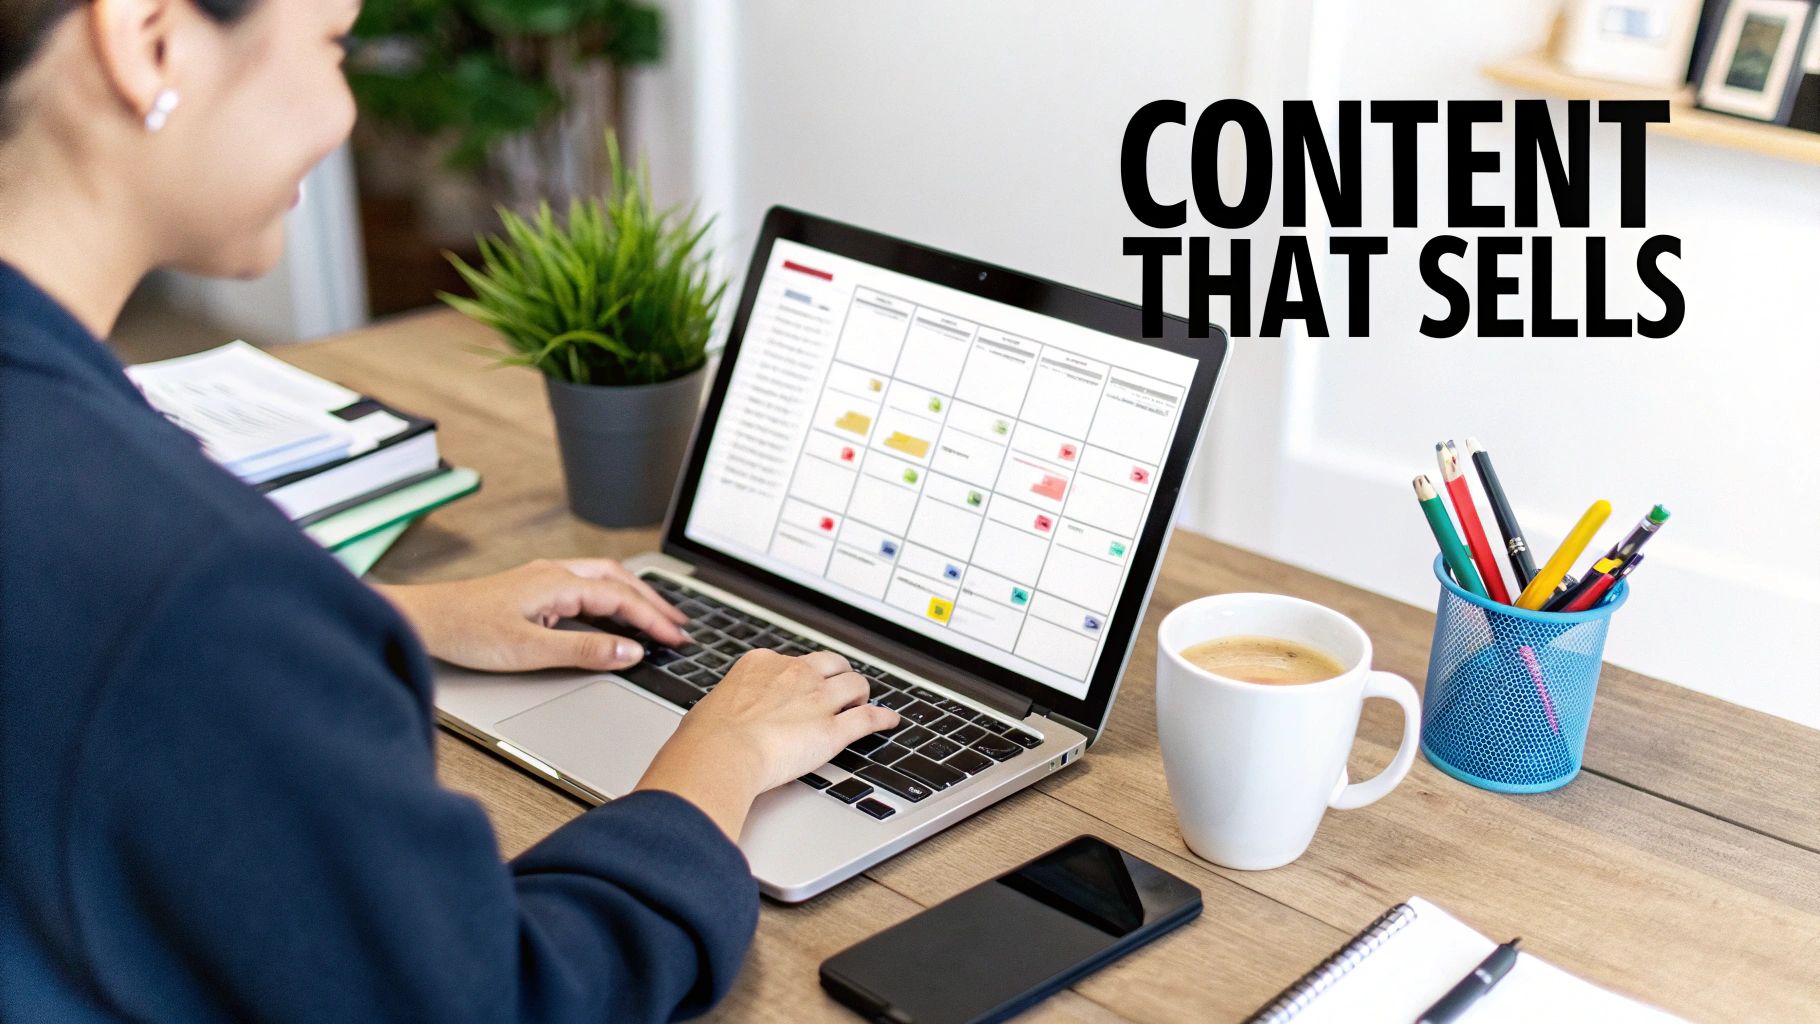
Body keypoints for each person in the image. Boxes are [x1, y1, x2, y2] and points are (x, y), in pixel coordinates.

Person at [0, 0, 900, 1020]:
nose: (344, 110)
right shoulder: (191, 579)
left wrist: (394, 617)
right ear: (147, 37)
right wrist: (719, 755)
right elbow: (505, 998)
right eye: (331, 43)